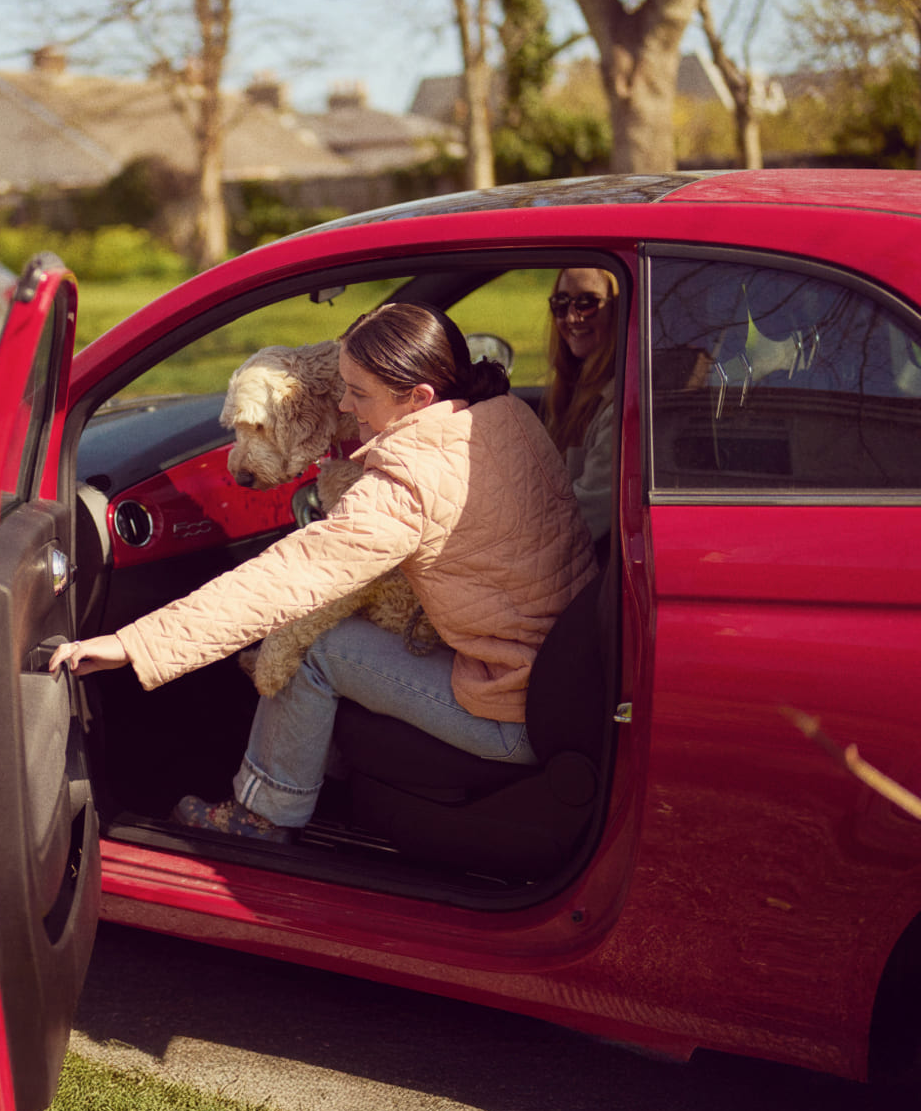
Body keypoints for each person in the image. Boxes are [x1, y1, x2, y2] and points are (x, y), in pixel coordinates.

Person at [52, 302, 597, 842]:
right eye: (343, 386)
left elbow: (289, 578)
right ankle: (321, 771)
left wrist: (133, 644)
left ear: (420, 397)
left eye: (359, 394)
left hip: (510, 707)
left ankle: (263, 814)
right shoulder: (505, 416)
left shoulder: (408, 485)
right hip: (560, 676)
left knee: (310, 645)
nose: (344, 405)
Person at [541, 267, 620, 544]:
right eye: (561, 304)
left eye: (587, 303)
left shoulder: (618, 409)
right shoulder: (575, 391)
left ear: (617, 310)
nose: (572, 317)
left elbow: (582, 519)